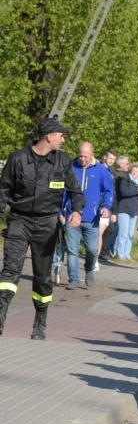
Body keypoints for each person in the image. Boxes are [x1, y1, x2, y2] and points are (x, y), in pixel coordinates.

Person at [0, 118, 85, 340]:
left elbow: (76, 192)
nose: (63, 139)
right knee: (10, 272)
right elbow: (3, 191)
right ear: (49, 136)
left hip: (47, 225)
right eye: (61, 135)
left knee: (42, 276)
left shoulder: (63, 161)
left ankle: (39, 322)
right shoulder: (18, 159)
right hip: (19, 220)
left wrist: (76, 211)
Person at [64, 142, 114, 290]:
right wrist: (61, 211)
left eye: (85, 156)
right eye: (80, 155)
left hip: (92, 219)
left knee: (92, 250)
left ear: (92, 154)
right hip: (72, 216)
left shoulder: (100, 170)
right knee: (72, 250)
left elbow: (108, 191)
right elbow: (63, 191)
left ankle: (89, 269)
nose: (82, 159)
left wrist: (106, 207)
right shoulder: (71, 168)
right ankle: (73, 280)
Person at [115, 162, 138, 262]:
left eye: (137, 171)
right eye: (133, 171)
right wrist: (137, 190)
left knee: (130, 234)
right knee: (123, 233)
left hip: (133, 210)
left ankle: (127, 254)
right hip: (124, 209)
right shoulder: (125, 180)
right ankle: (120, 254)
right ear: (130, 171)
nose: (135, 173)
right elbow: (124, 192)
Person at [97, 148, 118, 263]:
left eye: (113, 159)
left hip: (107, 205)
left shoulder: (111, 171)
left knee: (106, 231)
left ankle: (100, 254)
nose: (111, 161)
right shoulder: (99, 168)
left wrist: (114, 210)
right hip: (99, 204)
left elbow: (112, 191)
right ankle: (95, 256)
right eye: (110, 158)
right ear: (105, 157)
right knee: (98, 233)